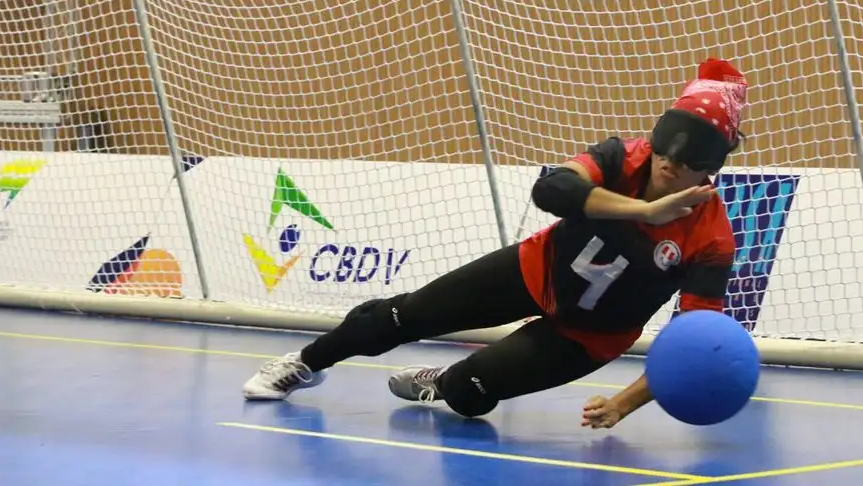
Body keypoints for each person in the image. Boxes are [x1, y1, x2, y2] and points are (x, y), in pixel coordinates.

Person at [242, 57, 745, 429]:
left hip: (590, 335)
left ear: (713, 166)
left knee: (470, 395)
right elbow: (554, 190)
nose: (672, 159)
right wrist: (643, 211)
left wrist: (622, 404)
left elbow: (691, 344)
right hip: (537, 270)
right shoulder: (621, 158)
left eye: (693, 152)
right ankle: (306, 364)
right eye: (671, 136)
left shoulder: (712, 239)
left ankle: (444, 380)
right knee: (401, 316)